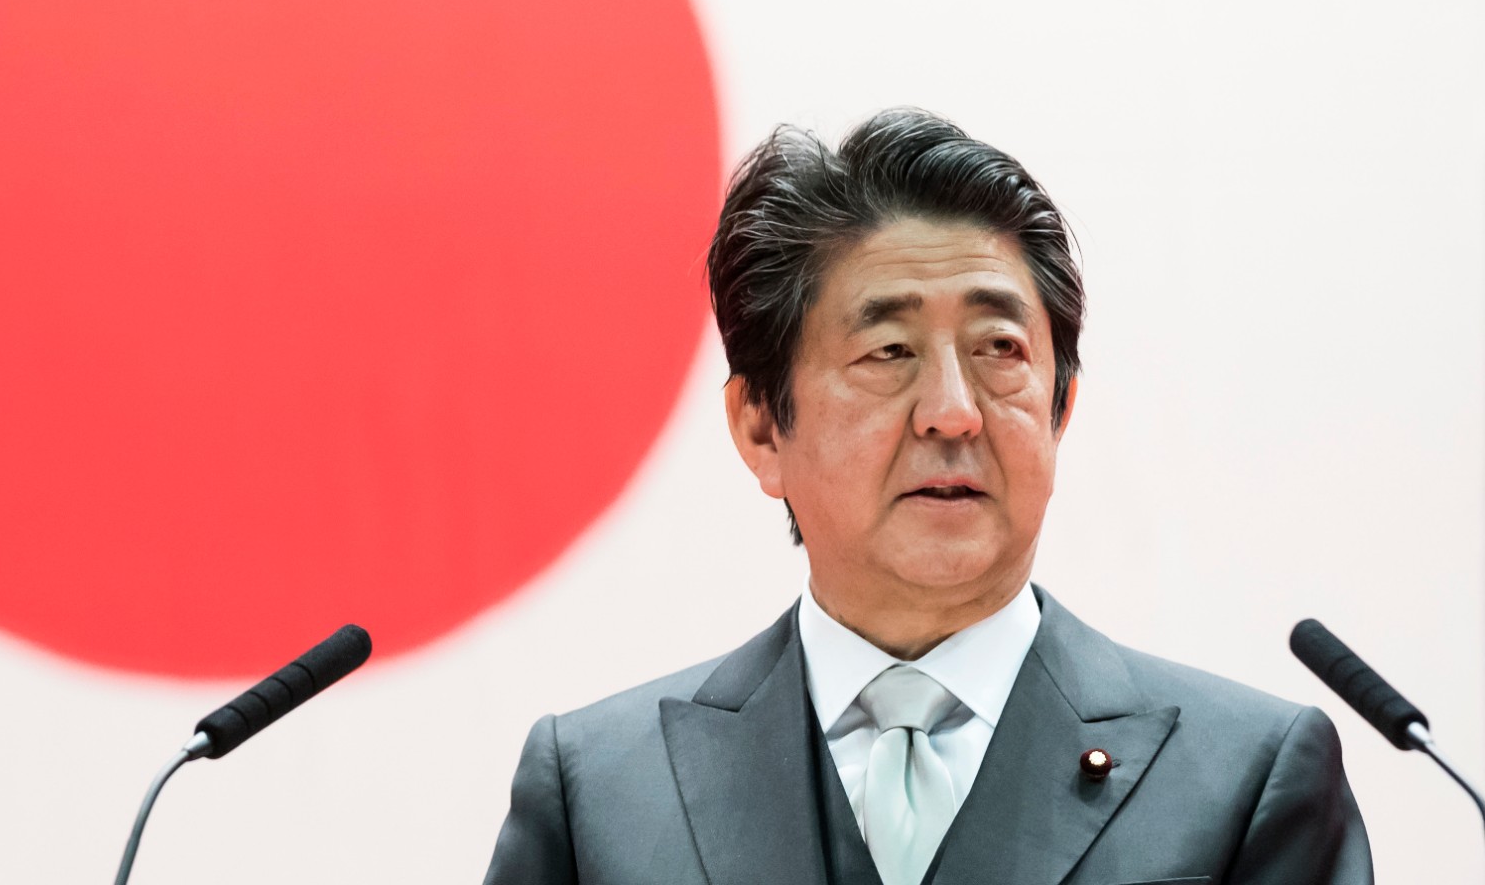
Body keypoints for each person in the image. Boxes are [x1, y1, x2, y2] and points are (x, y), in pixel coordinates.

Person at [482, 108, 1371, 885]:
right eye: (889, 353)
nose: (953, 414)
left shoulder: (1245, 778)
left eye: (1000, 349)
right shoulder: (601, 792)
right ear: (760, 427)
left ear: (1060, 408)